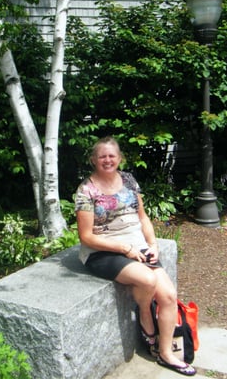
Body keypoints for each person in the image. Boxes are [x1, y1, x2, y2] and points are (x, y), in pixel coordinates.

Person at [74, 136, 196, 376]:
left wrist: (153, 245)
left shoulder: (129, 180)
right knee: (148, 280)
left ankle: (165, 353)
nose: (107, 160)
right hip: (103, 250)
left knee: (169, 296)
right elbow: (86, 237)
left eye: (112, 156)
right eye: (102, 156)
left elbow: (143, 218)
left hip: (138, 245)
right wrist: (124, 248)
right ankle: (145, 316)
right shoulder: (86, 190)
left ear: (119, 158)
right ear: (93, 160)